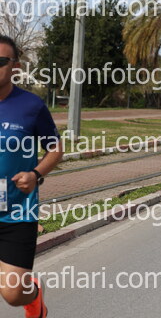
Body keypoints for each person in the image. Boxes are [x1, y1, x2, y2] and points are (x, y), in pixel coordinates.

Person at [0, 35, 63, 317]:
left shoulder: (31, 106)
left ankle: (34, 296)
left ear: (15, 66)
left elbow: (55, 149)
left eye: (0, 61)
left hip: (16, 215)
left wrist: (36, 174)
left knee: (13, 294)